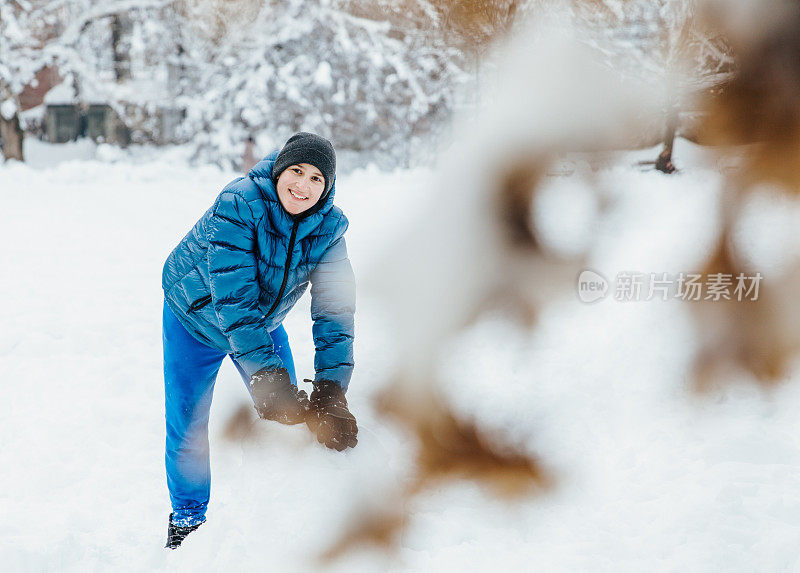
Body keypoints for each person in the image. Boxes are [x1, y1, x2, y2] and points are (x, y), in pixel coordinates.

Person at [161, 132, 357, 549]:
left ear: (328, 187)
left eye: (317, 179)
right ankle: (187, 519)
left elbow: (335, 313)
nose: (303, 186)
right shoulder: (238, 203)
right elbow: (233, 302)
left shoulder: (330, 230)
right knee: (189, 424)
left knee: (286, 411)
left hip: (259, 321)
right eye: (296, 171)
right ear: (279, 169)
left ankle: (285, 514)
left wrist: (331, 391)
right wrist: (267, 376)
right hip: (194, 318)